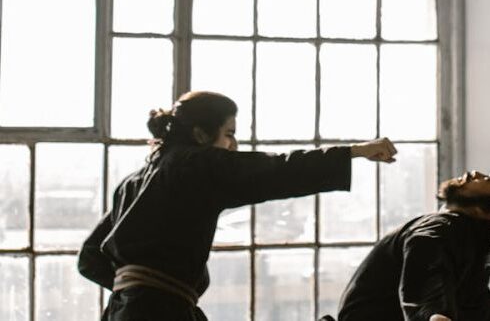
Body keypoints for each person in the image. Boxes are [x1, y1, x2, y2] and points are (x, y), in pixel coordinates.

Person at [78, 90, 397, 321]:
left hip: (124, 311)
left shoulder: (135, 181)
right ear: (201, 134)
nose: (233, 145)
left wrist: (133, 288)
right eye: (229, 134)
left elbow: (90, 258)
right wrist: (355, 151)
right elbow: (279, 171)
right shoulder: (196, 166)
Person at [320, 170, 490, 321]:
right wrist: (434, 313)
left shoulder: (469, 240)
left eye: (488, 180)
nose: (474, 173)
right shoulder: (440, 227)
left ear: (482, 211)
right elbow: (427, 271)